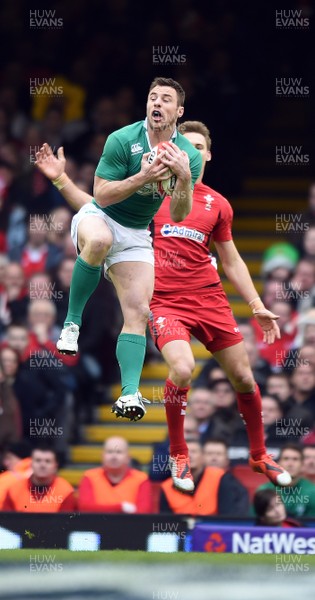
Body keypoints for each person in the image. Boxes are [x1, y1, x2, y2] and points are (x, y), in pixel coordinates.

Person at [34, 121, 291, 494]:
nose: (192, 151)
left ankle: (259, 453)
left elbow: (232, 260)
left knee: (245, 379)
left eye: (199, 146)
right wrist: (60, 181)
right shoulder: (148, 194)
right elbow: (95, 208)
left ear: (205, 155)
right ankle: (179, 453)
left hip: (210, 298)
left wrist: (256, 304)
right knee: (183, 369)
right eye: (186, 144)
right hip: (166, 302)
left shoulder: (217, 204)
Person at [35, 77, 202, 423]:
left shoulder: (189, 155)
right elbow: (103, 196)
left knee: (139, 311)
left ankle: (129, 394)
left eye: (166, 99)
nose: (157, 103)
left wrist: (184, 179)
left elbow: (182, 214)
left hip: (137, 234)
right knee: (98, 241)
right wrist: (143, 177)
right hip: (99, 217)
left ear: (179, 111)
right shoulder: (122, 139)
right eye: (152, 97)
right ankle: (71, 323)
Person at [159, 439, 247, 516]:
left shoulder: (221, 478)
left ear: (203, 457)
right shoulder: (167, 487)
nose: (189, 455)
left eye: (194, 452)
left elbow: (228, 517)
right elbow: (166, 522)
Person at [78, 436, 152, 513]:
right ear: (102, 456)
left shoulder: (141, 479)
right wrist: (121, 507)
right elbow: (84, 508)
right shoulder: (90, 477)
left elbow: (144, 511)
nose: (114, 456)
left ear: (128, 458)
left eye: (119, 452)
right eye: (109, 452)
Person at [2, 445, 76, 512]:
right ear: (30, 464)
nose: (42, 465)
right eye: (38, 460)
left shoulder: (66, 491)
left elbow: (67, 523)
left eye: (48, 461)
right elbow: (5, 521)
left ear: (55, 466)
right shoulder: (14, 489)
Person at [256, 443, 315, 519]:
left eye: (295, 459)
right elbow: (254, 522)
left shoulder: (312, 491)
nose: (290, 464)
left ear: (302, 465)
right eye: (286, 459)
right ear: (278, 464)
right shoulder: (264, 490)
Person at [202, 438, 249, 516]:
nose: (214, 458)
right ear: (201, 458)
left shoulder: (237, 488)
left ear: (227, 460)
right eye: (209, 454)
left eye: (219, 454)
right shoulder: (190, 483)